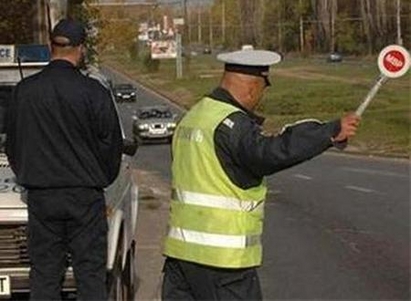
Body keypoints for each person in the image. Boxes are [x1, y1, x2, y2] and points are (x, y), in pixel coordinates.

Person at [161, 47, 360, 300]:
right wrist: (330, 132)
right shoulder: (232, 123)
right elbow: (270, 153)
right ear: (252, 86)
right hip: (223, 263)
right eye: (263, 90)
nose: (260, 98)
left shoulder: (193, 117)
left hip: (181, 257)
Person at [6, 19, 123, 300]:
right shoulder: (94, 92)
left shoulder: (24, 92)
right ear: (81, 49)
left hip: (42, 198)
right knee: (90, 276)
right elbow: (111, 147)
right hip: (84, 197)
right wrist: (97, 180)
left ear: (50, 47)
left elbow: (13, 145)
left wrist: (29, 176)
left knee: (44, 275)